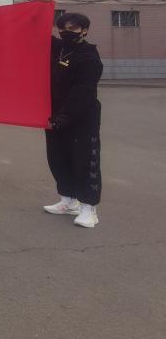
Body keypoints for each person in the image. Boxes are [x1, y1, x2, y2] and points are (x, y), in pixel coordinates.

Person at [44, 12, 104, 228]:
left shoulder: (89, 57)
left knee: (84, 160)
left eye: (72, 28)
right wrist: (40, 9)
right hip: (54, 115)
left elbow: (83, 92)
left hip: (81, 116)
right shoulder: (58, 48)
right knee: (58, 157)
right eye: (62, 28)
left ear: (84, 30)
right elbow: (34, 34)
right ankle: (68, 200)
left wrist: (63, 117)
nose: (65, 32)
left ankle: (88, 208)